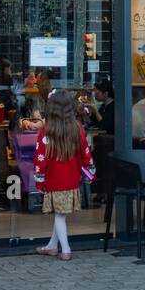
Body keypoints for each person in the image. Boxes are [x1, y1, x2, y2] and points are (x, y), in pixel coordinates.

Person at [32, 91, 95, 262]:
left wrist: (40, 178)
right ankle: (52, 246)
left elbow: (41, 157)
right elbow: (86, 152)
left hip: (54, 178)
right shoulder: (77, 127)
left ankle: (65, 249)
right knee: (61, 214)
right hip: (72, 177)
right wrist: (90, 170)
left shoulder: (47, 130)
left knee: (59, 215)